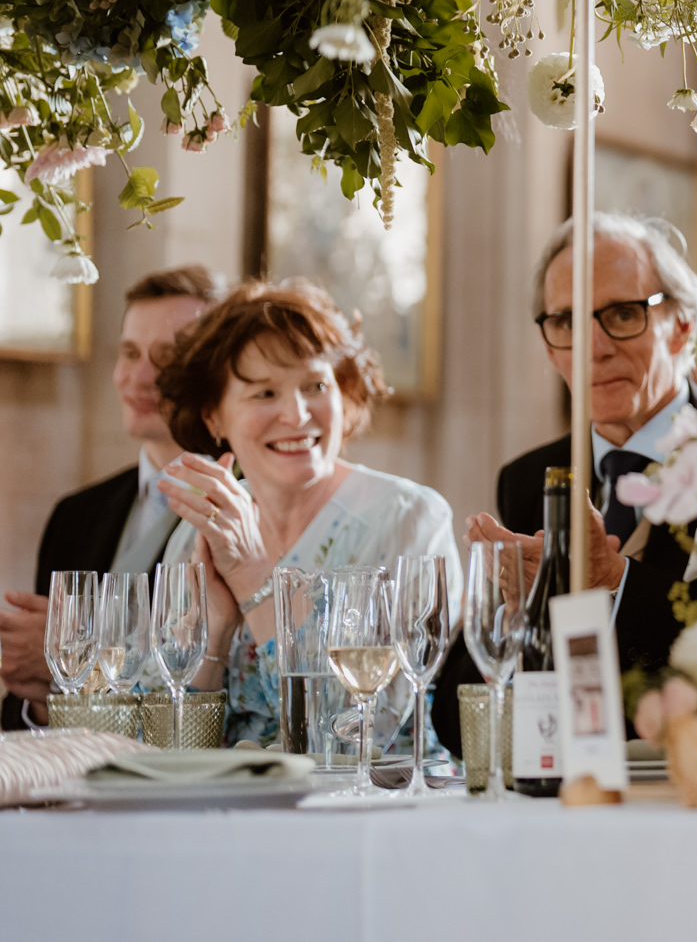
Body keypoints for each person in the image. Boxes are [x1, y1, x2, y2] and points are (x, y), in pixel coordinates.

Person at [432, 212, 697, 750]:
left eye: (621, 314)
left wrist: (613, 580)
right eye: (566, 322)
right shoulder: (528, 480)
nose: (593, 347)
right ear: (550, 348)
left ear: (683, 324)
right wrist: (510, 614)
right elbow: (455, 725)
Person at [153, 279, 460, 748]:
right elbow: (161, 749)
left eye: (316, 385)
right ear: (213, 416)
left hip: (372, 813)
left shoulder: (410, 520)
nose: (296, 416)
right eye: (264, 394)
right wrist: (213, 638)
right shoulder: (199, 530)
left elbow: (354, 737)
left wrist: (257, 580)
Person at [1, 264, 226, 730]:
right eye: (129, 352)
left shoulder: (242, 510)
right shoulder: (75, 514)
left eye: (167, 357)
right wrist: (46, 693)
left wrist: (86, 670)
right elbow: (28, 712)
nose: (138, 377)